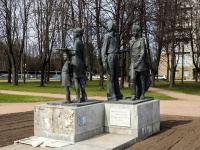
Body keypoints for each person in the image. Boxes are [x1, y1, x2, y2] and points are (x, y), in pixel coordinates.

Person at [101, 20, 123, 101]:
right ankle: (110, 94)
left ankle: (117, 93)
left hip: (115, 57)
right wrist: (104, 61)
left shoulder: (114, 37)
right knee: (111, 77)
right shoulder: (107, 37)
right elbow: (103, 50)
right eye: (115, 26)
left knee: (115, 77)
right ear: (112, 27)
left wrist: (124, 50)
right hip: (110, 58)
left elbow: (115, 50)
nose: (117, 27)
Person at [129, 25, 149, 100]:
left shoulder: (141, 40)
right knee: (132, 78)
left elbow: (143, 52)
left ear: (138, 32)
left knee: (142, 79)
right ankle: (133, 94)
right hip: (133, 62)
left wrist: (138, 62)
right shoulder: (131, 41)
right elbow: (130, 52)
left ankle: (142, 94)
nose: (133, 33)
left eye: (135, 31)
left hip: (140, 62)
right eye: (132, 31)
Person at [71, 28, 87, 103]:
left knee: (76, 80)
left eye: (74, 33)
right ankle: (83, 96)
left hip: (75, 62)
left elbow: (74, 52)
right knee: (81, 80)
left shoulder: (76, 43)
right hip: (81, 63)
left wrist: (67, 52)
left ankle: (78, 97)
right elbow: (83, 55)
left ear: (77, 34)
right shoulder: (81, 42)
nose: (73, 34)